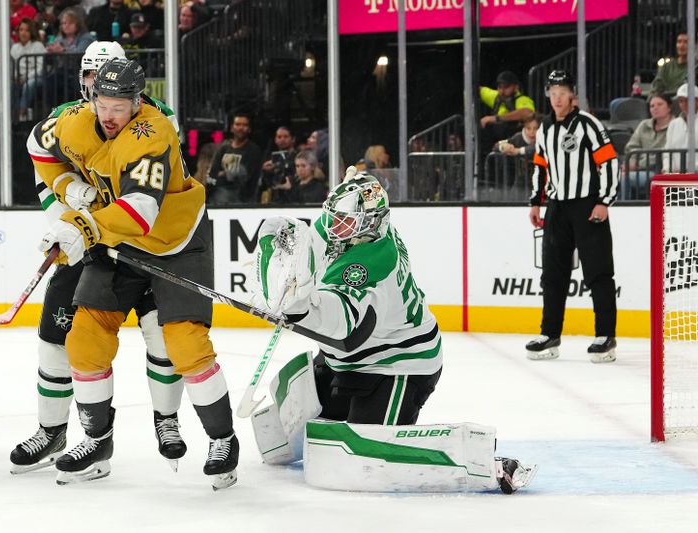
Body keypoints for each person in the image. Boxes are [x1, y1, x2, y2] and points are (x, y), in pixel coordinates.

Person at [248, 168, 534, 494]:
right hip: (349, 361)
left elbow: (342, 325)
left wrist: (298, 309)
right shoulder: (355, 226)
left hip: (397, 366)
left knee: (357, 460)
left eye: (345, 221)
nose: (334, 226)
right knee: (284, 441)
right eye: (334, 217)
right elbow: (319, 235)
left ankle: (481, 461)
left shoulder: (371, 261)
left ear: (370, 224)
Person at [29, 58, 238, 489]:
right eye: (101, 102)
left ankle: (223, 440)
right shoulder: (73, 120)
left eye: (118, 106)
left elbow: (141, 211)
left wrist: (83, 225)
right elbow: (36, 145)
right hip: (115, 241)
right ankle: (97, 441)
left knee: (184, 344)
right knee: (84, 338)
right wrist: (71, 191)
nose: (107, 115)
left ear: (137, 102)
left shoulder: (152, 132)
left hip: (174, 243)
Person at [12, 42, 186, 476]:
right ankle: (55, 432)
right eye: (90, 77)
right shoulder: (69, 117)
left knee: (161, 338)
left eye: (103, 76)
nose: (96, 86)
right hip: (84, 245)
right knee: (56, 339)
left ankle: (166, 420)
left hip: (138, 241)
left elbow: (157, 186)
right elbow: (43, 167)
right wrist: (68, 211)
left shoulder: (156, 117)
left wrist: (103, 221)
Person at [526, 70, 619, 363]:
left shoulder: (588, 124)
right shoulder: (545, 129)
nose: (557, 98)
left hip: (588, 205)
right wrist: (535, 202)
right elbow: (540, 166)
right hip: (557, 207)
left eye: (562, 92)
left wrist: (604, 201)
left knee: (598, 272)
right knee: (552, 275)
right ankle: (549, 334)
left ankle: (605, 336)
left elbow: (609, 162)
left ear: (572, 96)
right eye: (552, 93)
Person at [623, 93, 672, 198]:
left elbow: (665, 153)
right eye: (652, 106)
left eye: (660, 104)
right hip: (639, 169)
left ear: (669, 108)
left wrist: (638, 164)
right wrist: (632, 162)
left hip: (659, 170)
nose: (655, 108)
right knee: (613, 178)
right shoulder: (644, 125)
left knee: (624, 179)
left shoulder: (676, 125)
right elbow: (631, 147)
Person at [206, 114, 263, 205]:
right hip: (217, 200)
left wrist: (225, 175)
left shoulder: (253, 150)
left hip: (241, 202)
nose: (241, 128)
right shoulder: (223, 148)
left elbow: (245, 177)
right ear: (232, 127)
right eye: (238, 124)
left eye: (245, 125)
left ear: (249, 129)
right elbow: (213, 174)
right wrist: (226, 175)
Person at [479, 71, 536, 155]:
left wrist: (496, 118)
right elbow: (474, 89)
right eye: (499, 87)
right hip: (496, 142)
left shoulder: (523, 99)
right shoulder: (495, 97)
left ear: (516, 87)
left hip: (515, 142)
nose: (502, 91)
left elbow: (528, 112)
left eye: (506, 87)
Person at [10, 18, 47, 121]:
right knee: (10, 85)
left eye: (27, 30)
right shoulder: (15, 47)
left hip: (36, 78)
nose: (23, 33)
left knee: (29, 84)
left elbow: (40, 68)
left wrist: (25, 78)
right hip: (19, 77)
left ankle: (23, 111)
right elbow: (12, 66)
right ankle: (13, 114)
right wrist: (16, 77)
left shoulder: (38, 46)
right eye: (21, 30)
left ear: (32, 32)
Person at [663, 83, 698, 173]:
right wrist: (668, 170)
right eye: (681, 101)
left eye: (688, 100)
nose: (685, 104)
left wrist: (692, 170)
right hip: (676, 176)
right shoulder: (673, 124)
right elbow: (667, 152)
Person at [651, 31, 695, 98]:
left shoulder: (695, 67)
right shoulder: (667, 66)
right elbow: (657, 87)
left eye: (686, 42)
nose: (681, 45)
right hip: (665, 103)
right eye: (679, 42)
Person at [260, 125, 296, 203]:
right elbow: (267, 183)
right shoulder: (270, 158)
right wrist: (266, 172)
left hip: (292, 198)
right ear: (275, 140)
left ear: (293, 139)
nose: (282, 139)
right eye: (279, 137)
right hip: (275, 198)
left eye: (286, 137)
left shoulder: (298, 157)